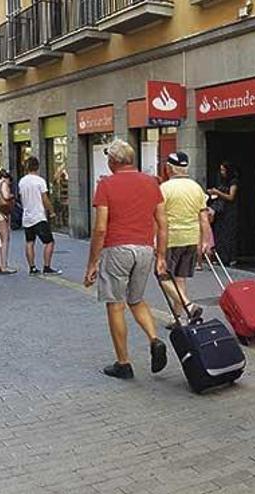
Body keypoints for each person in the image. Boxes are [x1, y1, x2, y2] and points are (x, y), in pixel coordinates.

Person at [83, 139, 169, 380]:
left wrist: (92, 262)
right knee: (137, 299)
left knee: (115, 304)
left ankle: (123, 363)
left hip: (117, 249)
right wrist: (161, 255)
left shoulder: (106, 185)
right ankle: (154, 339)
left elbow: (100, 228)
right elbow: (163, 224)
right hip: (144, 249)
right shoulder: (152, 183)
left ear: (113, 161)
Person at [159, 152, 212, 328]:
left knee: (163, 275)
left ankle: (188, 305)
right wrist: (205, 241)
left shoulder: (164, 189)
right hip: (191, 238)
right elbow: (204, 218)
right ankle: (177, 318)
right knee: (180, 278)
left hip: (171, 239)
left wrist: (154, 240)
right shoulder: (196, 188)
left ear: (170, 169)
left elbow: (158, 218)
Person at [18, 157, 61, 276]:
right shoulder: (40, 181)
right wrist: (51, 211)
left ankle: (32, 268)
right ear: (37, 167)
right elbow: (45, 199)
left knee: (29, 242)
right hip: (38, 216)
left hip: (27, 217)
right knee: (49, 242)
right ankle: (47, 267)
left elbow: (22, 199)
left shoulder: (22, 182)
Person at [207, 161, 239, 266]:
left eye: (223, 170)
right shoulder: (221, 180)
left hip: (230, 211)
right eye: (221, 170)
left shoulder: (234, 181)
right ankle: (221, 257)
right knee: (219, 234)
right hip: (221, 210)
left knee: (228, 234)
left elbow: (231, 196)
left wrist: (217, 193)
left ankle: (231, 257)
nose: (222, 172)